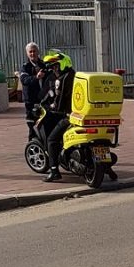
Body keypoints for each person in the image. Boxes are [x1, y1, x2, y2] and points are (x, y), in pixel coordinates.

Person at [42, 52, 76, 183]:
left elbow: (60, 103)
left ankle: (54, 170)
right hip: (82, 116)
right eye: (52, 67)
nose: (54, 70)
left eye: (55, 66)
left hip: (68, 116)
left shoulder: (62, 79)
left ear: (63, 64)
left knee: (51, 140)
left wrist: (51, 107)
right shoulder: (75, 76)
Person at [15, 41, 46, 141]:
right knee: (33, 127)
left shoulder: (44, 65)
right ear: (27, 53)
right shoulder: (25, 67)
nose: (32, 54)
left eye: (34, 51)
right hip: (31, 103)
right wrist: (36, 77)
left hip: (45, 101)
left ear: (38, 52)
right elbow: (24, 80)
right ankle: (33, 149)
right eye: (30, 52)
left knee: (45, 126)